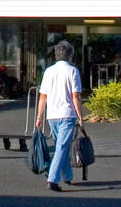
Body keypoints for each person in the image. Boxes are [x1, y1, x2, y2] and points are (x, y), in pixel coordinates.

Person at [35, 41, 84, 192]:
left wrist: (39, 117)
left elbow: (43, 96)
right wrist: (80, 116)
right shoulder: (73, 71)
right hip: (67, 113)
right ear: (70, 55)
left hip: (52, 115)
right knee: (62, 147)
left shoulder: (48, 71)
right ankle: (52, 179)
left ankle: (67, 176)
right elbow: (75, 96)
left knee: (61, 146)